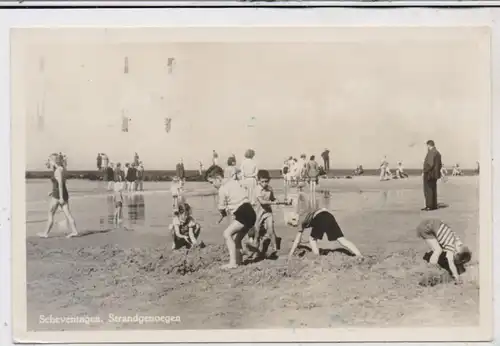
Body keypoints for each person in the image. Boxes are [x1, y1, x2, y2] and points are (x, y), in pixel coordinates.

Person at [286, 194, 362, 259]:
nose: (295, 226)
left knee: (312, 239)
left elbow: (297, 241)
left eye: (293, 225)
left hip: (319, 217)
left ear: (294, 219)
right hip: (328, 215)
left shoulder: (300, 221)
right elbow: (303, 197)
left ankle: (316, 256)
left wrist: (290, 254)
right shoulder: (303, 211)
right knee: (341, 239)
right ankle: (359, 255)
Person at [208, 171, 256, 269]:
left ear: (218, 178)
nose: (212, 185)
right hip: (250, 212)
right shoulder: (233, 182)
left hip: (243, 213)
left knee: (227, 234)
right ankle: (239, 260)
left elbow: (221, 207)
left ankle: (232, 263)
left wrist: (222, 213)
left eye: (212, 182)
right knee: (236, 240)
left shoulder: (222, 189)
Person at [417, 219, 472, 284]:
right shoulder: (451, 246)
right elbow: (451, 263)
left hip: (433, 223)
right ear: (456, 253)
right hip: (426, 228)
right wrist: (456, 277)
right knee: (437, 250)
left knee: (439, 247)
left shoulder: (458, 241)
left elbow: (461, 251)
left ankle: (433, 258)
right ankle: (430, 270)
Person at [37, 153, 79, 238]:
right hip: (62, 193)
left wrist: (60, 197)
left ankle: (45, 233)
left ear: (53, 161)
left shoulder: (57, 171)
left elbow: (60, 184)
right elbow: (60, 184)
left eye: (49, 160)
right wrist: (52, 192)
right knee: (67, 214)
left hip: (58, 195)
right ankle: (74, 231)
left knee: (50, 213)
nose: (48, 162)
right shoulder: (61, 169)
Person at [247, 170, 282, 258]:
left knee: (271, 230)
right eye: (262, 181)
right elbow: (262, 202)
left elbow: (273, 198)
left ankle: (275, 249)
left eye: (266, 181)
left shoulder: (270, 189)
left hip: (268, 212)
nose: (264, 183)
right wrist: (273, 203)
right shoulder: (257, 189)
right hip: (258, 213)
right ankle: (255, 250)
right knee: (257, 232)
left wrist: (276, 200)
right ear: (258, 180)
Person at [422, 140, 442, 211]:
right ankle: (434, 205)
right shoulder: (438, 153)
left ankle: (429, 206)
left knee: (428, 190)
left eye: (427, 146)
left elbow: (430, 164)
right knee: (433, 189)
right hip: (435, 175)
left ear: (429, 145)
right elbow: (440, 165)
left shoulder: (431, 152)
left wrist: (425, 170)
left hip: (429, 174)